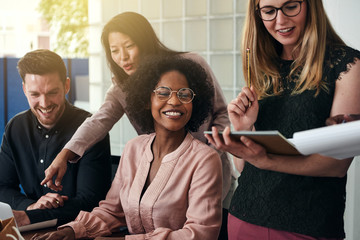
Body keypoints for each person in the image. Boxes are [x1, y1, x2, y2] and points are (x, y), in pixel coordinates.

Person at [41, 11, 234, 239]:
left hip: (208, 177)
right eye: (114, 51)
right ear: (145, 101)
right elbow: (98, 121)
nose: (122, 57)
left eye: (129, 46)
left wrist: (199, 155)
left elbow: (222, 114)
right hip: (159, 181)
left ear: (144, 42)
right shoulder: (132, 137)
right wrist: (65, 154)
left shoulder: (190, 65)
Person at [205, 0, 360, 239]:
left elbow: (336, 165)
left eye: (290, 7)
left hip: (306, 226)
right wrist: (244, 128)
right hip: (242, 216)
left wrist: (265, 160)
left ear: (310, 5)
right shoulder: (263, 65)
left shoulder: (348, 66)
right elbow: (243, 167)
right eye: (268, 11)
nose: (280, 21)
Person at [0, 49, 112, 227]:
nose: (44, 104)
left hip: (78, 232)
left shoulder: (91, 129)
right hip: (30, 232)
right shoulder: (16, 127)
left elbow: (91, 202)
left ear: (66, 86)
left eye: (52, 92)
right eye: (35, 94)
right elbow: (2, 186)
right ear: (24, 89)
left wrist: (32, 217)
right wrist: (30, 206)